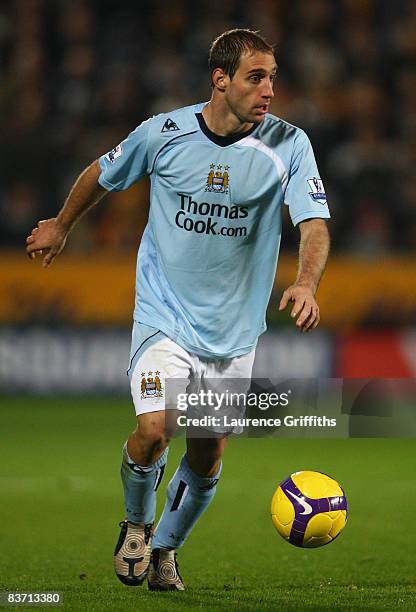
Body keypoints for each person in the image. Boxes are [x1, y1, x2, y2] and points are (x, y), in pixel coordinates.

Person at [26, 29, 330, 591]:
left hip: (234, 332)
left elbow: (313, 223)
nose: (269, 89)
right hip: (164, 315)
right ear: (221, 81)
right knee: (155, 428)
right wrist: (62, 225)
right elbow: (102, 172)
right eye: (255, 77)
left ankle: (165, 550)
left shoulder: (289, 144)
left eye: (272, 77)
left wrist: (306, 283)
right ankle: (138, 526)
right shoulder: (163, 133)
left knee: (209, 450)